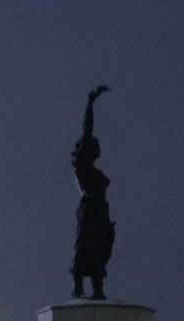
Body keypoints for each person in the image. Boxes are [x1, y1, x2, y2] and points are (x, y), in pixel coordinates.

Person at [70, 85, 116, 300]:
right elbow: (87, 129)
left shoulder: (94, 171)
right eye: (95, 144)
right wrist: (91, 102)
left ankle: (98, 290)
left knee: (99, 251)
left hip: (100, 213)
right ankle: (78, 288)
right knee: (85, 249)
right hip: (89, 212)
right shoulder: (82, 167)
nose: (99, 146)